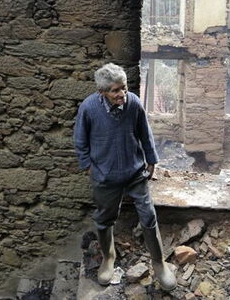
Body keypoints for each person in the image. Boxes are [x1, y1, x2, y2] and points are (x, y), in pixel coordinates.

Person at [73, 63, 177, 290]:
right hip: (105, 176)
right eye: (115, 90)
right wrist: (89, 167)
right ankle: (109, 258)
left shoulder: (134, 104)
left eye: (124, 88)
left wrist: (151, 161)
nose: (122, 94)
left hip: (134, 172)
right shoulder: (89, 108)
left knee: (148, 216)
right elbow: (80, 142)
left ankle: (159, 264)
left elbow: (145, 134)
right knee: (104, 218)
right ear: (102, 92)